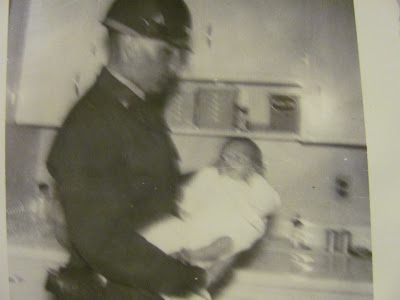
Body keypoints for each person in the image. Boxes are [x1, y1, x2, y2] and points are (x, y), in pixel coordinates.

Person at [45, 1, 207, 299]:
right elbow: (101, 240)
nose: (173, 67)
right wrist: (184, 277)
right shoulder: (92, 120)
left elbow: (144, 189)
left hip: (144, 284)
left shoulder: (138, 111)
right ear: (130, 44)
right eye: (166, 52)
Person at [139, 137, 281, 299]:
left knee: (222, 244)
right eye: (224, 157)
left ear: (254, 167)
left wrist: (256, 179)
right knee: (163, 231)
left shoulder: (256, 187)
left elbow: (269, 203)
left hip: (228, 232)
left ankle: (191, 257)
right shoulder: (212, 177)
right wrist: (206, 177)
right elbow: (187, 205)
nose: (229, 162)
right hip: (195, 228)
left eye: (238, 159)